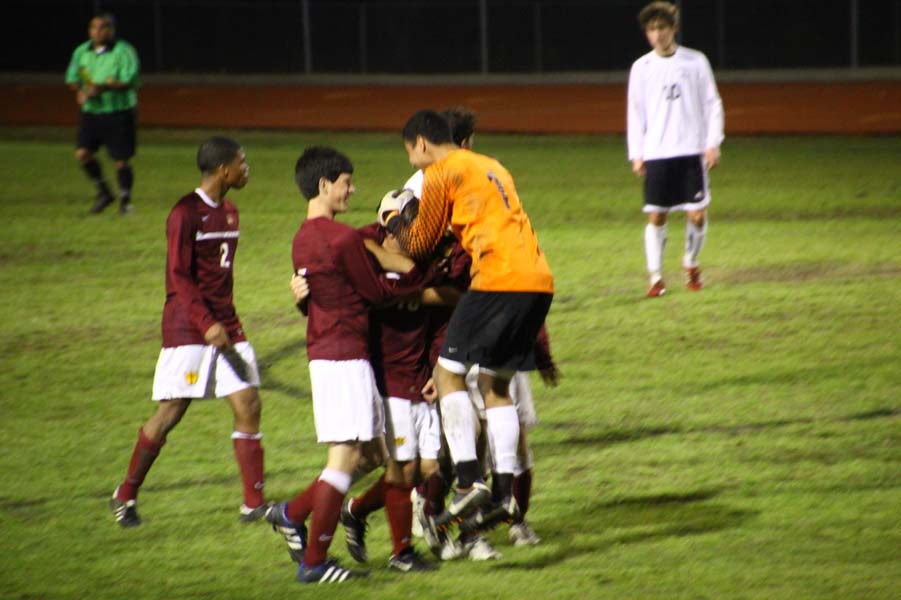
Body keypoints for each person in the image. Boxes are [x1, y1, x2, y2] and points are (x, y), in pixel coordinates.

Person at [379, 109, 554, 542]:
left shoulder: (442, 170)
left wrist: (394, 220)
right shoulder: (492, 165)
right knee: (497, 386)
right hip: (537, 281)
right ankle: (504, 494)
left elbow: (420, 244)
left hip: (497, 279)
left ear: (422, 143)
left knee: (447, 374)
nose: (414, 162)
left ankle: (470, 480)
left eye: (411, 153)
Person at [266, 147, 425, 584]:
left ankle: (291, 513)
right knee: (345, 457)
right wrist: (423, 280)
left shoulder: (301, 238)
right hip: (345, 355)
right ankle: (314, 562)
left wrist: (302, 301)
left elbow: (317, 298)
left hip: (327, 352)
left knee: (372, 453)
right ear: (324, 185)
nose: (352, 190)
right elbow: (378, 294)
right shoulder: (343, 239)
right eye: (346, 183)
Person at [110, 136, 270, 527]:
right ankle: (125, 494)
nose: (246, 169)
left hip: (226, 323)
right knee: (172, 411)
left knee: (248, 403)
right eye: (242, 163)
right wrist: (205, 322)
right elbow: (178, 275)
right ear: (223, 170)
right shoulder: (185, 213)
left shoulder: (230, 212)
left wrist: (222, 321)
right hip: (188, 325)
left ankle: (253, 504)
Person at [627, 1, 724, 297]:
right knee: (657, 217)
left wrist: (712, 144)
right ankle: (656, 278)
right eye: (651, 29)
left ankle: (690, 262)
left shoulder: (695, 61)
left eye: (662, 28)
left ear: (674, 29)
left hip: (691, 151)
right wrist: (637, 154)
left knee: (697, 215)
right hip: (657, 153)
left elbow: (712, 104)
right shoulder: (641, 68)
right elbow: (635, 112)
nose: (657, 34)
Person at [65, 13, 140, 215]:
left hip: (119, 111)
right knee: (83, 153)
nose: (97, 32)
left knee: (121, 160)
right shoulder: (82, 51)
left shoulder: (124, 51)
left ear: (111, 30)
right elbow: (72, 77)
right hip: (92, 112)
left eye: (102, 27)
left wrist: (104, 87)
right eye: (94, 27)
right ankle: (105, 193)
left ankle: (125, 203)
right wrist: (81, 91)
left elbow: (129, 81)